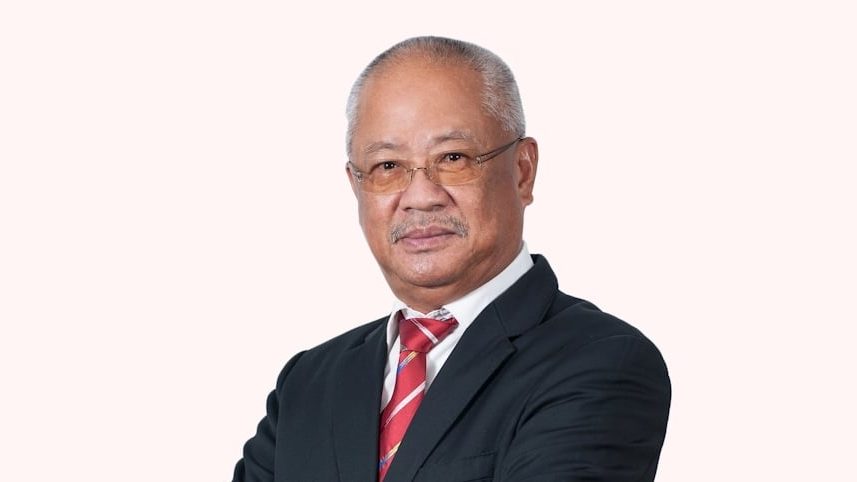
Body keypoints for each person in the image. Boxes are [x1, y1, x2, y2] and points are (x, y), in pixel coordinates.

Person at [233, 36, 671, 482]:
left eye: (454, 158)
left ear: (523, 171)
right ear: (356, 186)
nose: (420, 196)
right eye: (387, 166)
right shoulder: (309, 383)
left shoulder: (600, 362)